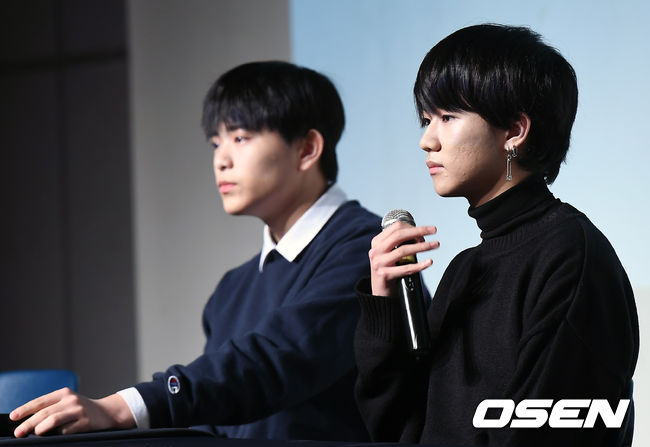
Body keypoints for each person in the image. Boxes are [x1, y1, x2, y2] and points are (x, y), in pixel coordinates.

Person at [11, 61, 378, 441]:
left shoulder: (368, 251)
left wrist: (124, 407)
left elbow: (277, 359)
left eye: (241, 138)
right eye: (216, 143)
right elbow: (214, 419)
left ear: (307, 149)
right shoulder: (232, 290)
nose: (221, 159)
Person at [354, 24, 639, 447]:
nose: (426, 140)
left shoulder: (569, 253)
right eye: (426, 119)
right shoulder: (465, 270)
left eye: (448, 117)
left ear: (515, 131)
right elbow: (398, 429)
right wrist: (385, 309)